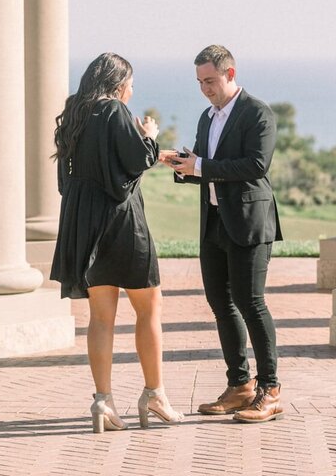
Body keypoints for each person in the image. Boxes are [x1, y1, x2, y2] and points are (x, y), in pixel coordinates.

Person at [50, 52, 184, 434]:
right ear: (119, 82)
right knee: (149, 306)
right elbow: (137, 159)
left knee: (101, 317)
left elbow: (67, 179)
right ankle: (154, 394)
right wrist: (150, 136)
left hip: (82, 222)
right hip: (121, 223)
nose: (132, 89)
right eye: (131, 83)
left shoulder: (74, 113)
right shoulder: (115, 111)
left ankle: (102, 401)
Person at [167, 44, 285, 423]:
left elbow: (255, 165)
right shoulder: (208, 116)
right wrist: (184, 166)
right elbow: (207, 166)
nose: (205, 89)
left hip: (250, 222)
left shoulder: (257, 113)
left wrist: (202, 165)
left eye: (211, 81)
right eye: (200, 82)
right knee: (221, 304)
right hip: (214, 222)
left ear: (230, 74)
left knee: (251, 302)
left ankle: (270, 389)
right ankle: (240, 386)